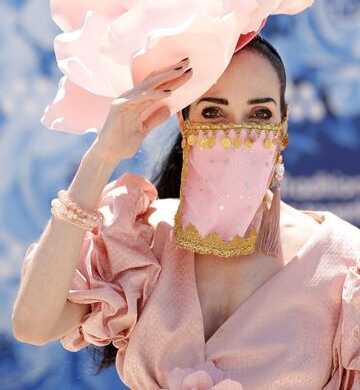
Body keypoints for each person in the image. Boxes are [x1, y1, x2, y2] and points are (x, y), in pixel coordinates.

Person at [12, 35, 360, 389]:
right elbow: (33, 324)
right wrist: (102, 156)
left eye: (260, 114)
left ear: (282, 124)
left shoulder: (346, 262)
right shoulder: (142, 238)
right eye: (213, 112)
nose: (235, 134)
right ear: (184, 123)